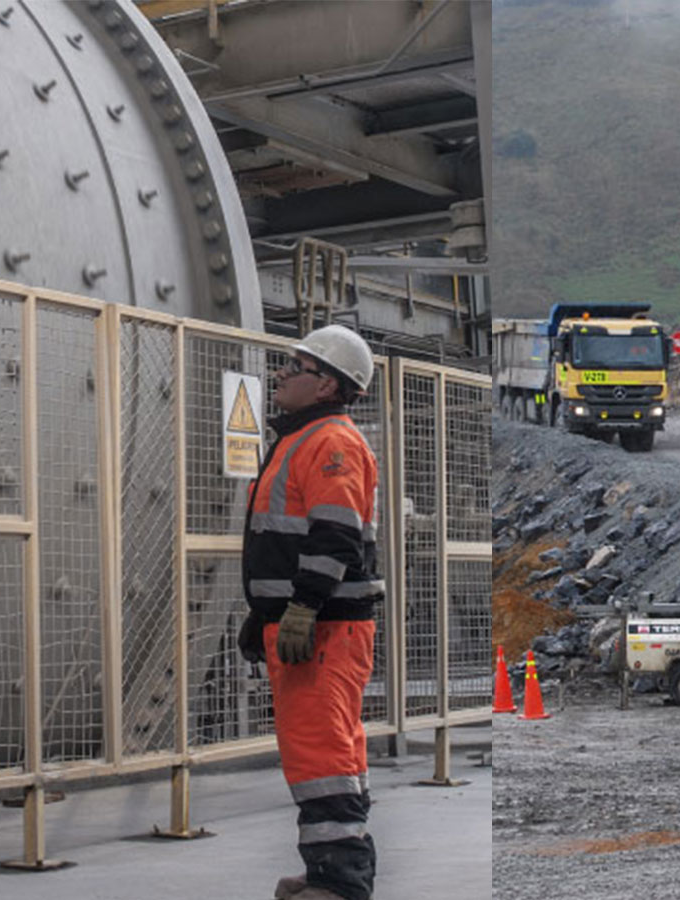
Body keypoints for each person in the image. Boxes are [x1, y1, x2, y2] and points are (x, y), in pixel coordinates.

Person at [238, 324, 382, 900]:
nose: (282, 374)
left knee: (320, 754)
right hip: (311, 626)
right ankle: (333, 872)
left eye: (295, 367)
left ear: (326, 386)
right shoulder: (307, 439)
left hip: (322, 629)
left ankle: (340, 882)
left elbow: (335, 537)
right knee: (332, 750)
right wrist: (268, 613)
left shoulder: (331, 444)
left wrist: (300, 608)